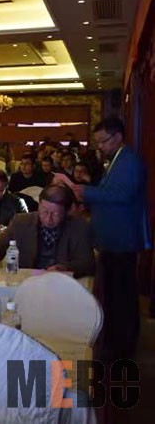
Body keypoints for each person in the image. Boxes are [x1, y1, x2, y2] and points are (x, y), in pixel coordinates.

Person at [55, 117, 151, 361]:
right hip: (112, 239)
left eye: (103, 141)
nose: (99, 146)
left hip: (121, 239)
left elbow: (122, 194)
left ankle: (122, 347)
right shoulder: (117, 159)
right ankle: (114, 340)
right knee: (113, 294)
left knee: (122, 296)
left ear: (117, 137)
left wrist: (86, 191)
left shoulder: (129, 161)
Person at [0, 185, 94, 278]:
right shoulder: (21, 221)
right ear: (39, 205)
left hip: (60, 283)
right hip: (27, 280)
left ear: (66, 212)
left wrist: (65, 268)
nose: (48, 219)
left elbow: (87, 263)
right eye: (44, 211)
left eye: (55, 214)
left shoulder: (79, 227)